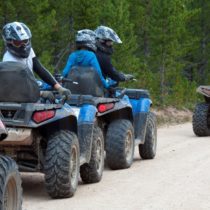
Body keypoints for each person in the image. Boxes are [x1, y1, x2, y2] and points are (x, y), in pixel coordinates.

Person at [2, 21, 71, 100]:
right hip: (17, 100)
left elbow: (39, 69)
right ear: (9, 43)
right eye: (18, 42)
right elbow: (15, 87)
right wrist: (41, 93)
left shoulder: (29, 51)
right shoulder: (9, 61)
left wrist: (59, 88)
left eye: (25, 41)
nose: (23, 45)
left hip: (30, 91)